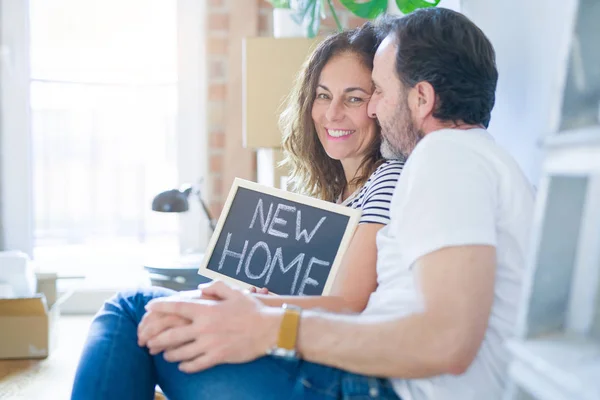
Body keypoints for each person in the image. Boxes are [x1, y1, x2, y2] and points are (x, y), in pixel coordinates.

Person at [71, 23, 403, 400]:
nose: (332, 113)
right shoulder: (339, 195)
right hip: (293, 354)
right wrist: (262, 296)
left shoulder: (386, 180)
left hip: (320, 374)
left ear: (378, 105)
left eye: (354, 98)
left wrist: (251, 308)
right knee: (146, 314)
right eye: (323, 95)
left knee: (133, 310)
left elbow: (349, 303)